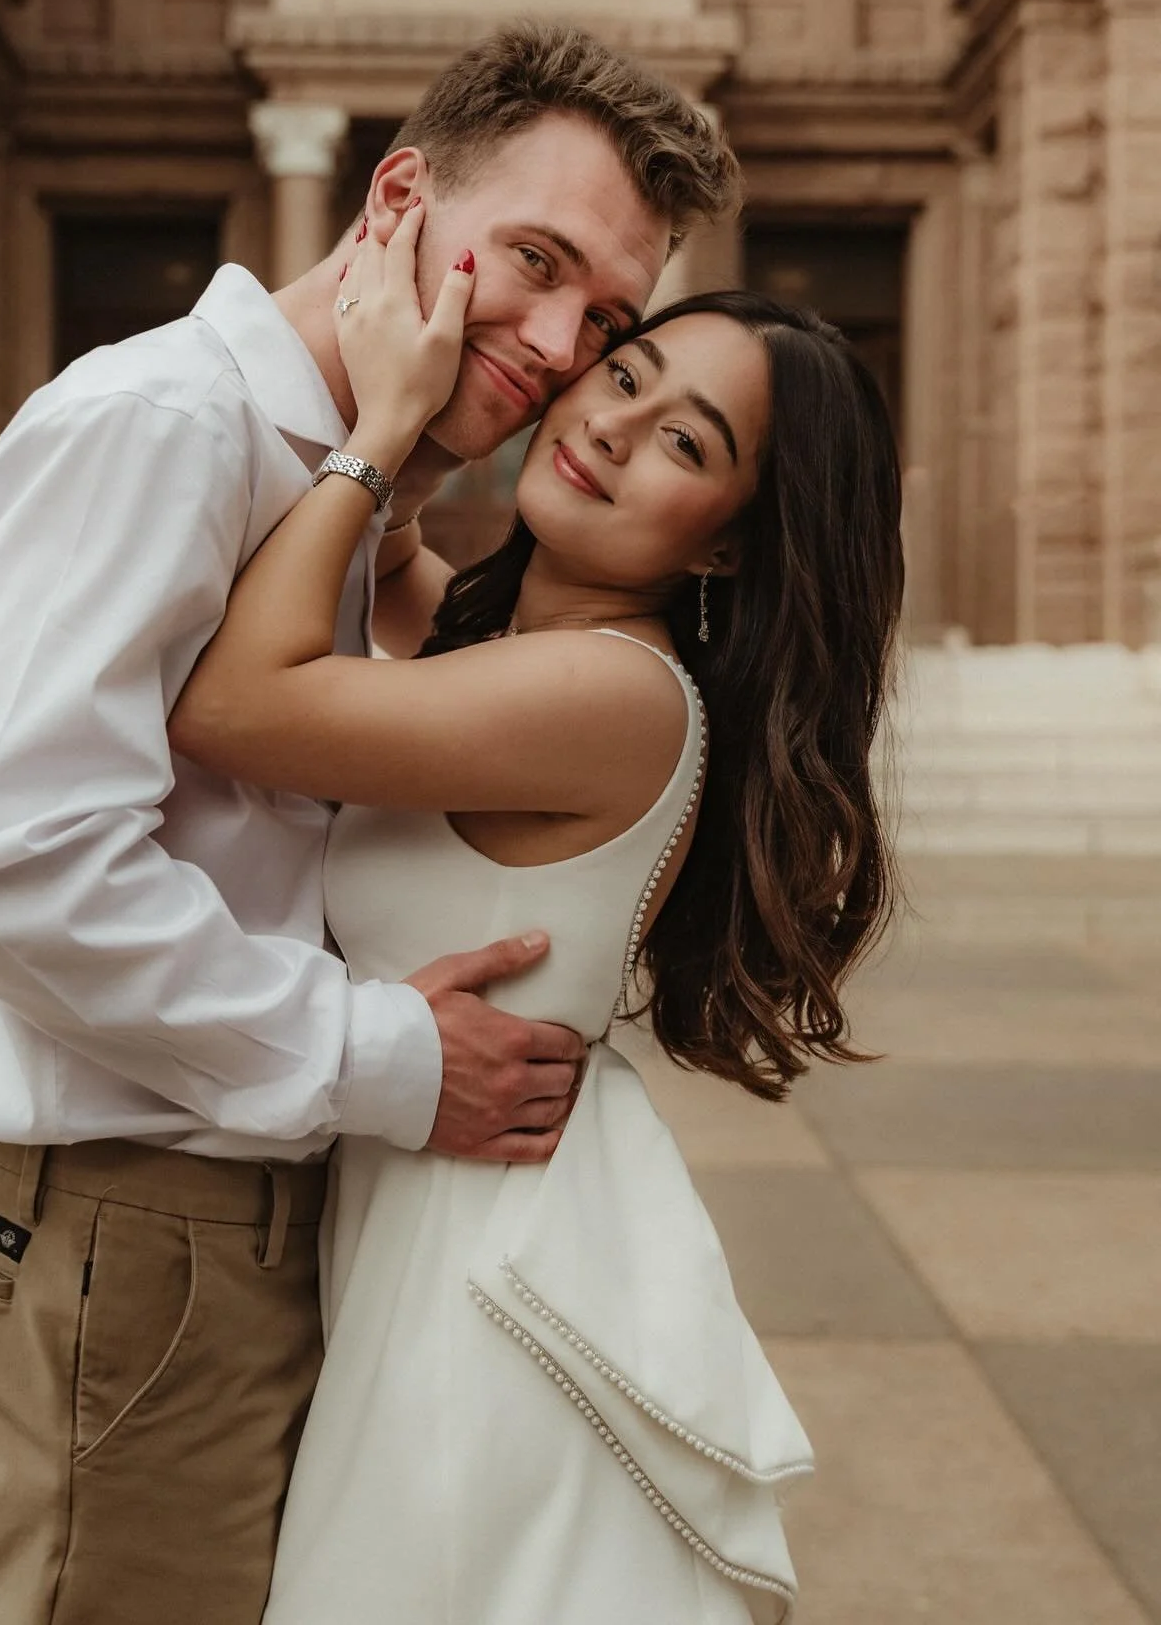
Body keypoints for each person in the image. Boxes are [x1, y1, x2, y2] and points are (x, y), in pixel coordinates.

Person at [0, 21, 739, 1625]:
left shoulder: (350, 485)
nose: (556, 343)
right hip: (121, 1226)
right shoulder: (166, 427)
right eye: (535, 263)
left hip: (232, 1227)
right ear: (398, 198)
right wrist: (388, 1057)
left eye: (606, 317)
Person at [167, 212, 906, 1624]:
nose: (617, 430)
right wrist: (442, 379)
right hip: (445, 1221)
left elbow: (233, 706)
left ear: (732, 549)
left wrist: (379, 427)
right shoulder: (522, 650)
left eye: (691, 445)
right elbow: (384, 573)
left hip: (485, 1280)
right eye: (625, 375)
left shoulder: (605, 698)